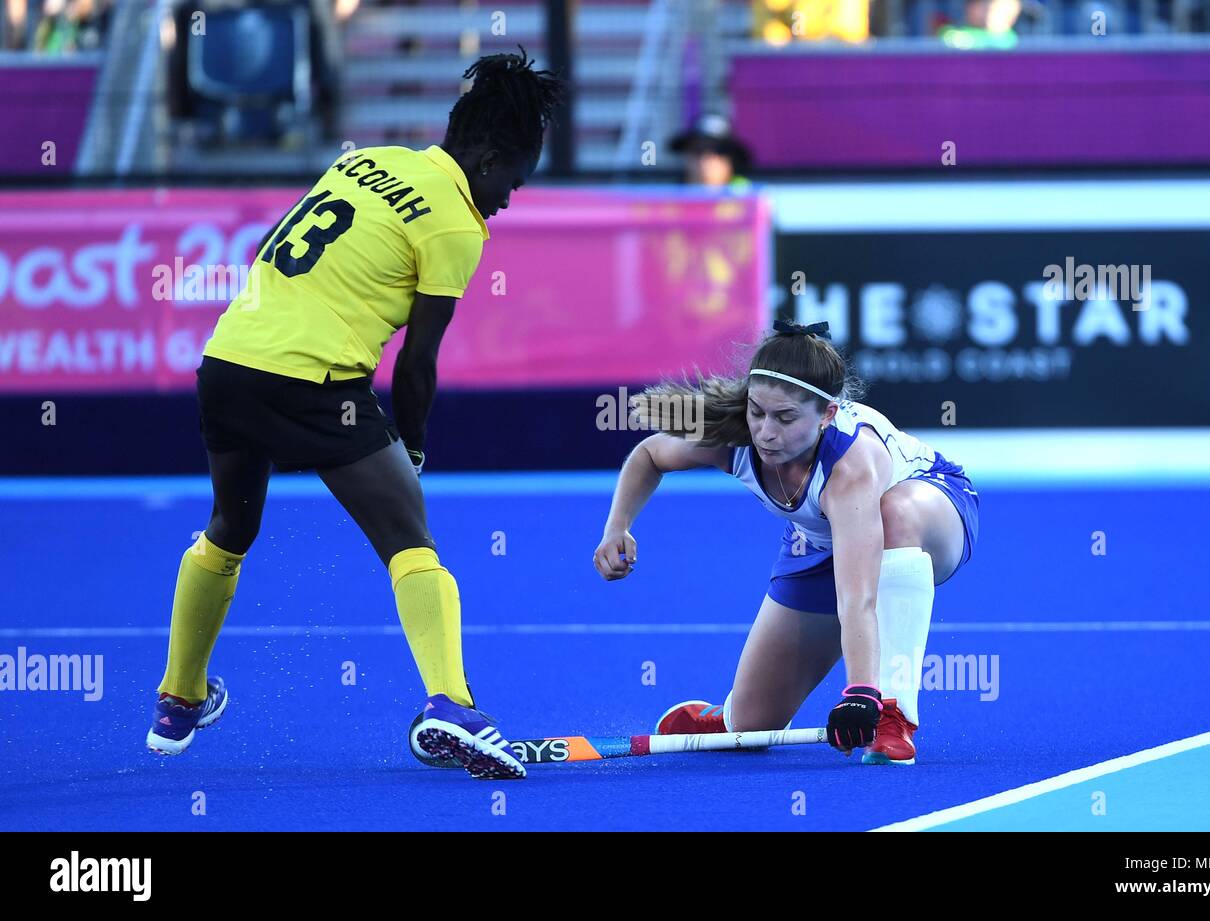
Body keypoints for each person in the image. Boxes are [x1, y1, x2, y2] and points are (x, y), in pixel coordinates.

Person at [145, 47, 565, 780]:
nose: (505, 200)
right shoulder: (457, 224)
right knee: (410, 536)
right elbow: (418, 361)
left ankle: (178, 700)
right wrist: (415, 447)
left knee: (229, 527)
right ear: (491, 155)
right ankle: (451, 703)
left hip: (228, 364)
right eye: (512, 182)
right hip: (314, 385)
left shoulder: (366, 160)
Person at [592, 320, 980, 763]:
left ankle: (894, 717)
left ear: (827, 415)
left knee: (895, 514)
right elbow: (649, 454)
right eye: (757, 412)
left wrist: (862, 693)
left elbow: (858, 599)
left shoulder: (851, 468)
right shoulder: (736, 436)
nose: (765, 433)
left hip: (932, 511)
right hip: (820, 539)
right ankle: (730, 717)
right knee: (752, 729)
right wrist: (617, 526)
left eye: (785, 418)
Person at [668, 113, 753, 190]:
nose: (705, 159)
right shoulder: (667, 201)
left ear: (732, 160)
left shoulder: (749, 198)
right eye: (698, 150)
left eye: (718, 151)